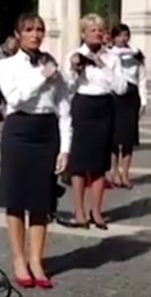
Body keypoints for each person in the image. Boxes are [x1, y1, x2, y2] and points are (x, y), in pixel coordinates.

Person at [0, 14, 70, 289]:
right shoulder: (6, 65)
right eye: (29, 30)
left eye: (39, 30)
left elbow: (64, 107)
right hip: (19, 131)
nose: (35, 34)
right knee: (16, 197)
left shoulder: (51, 63)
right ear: (18, 33)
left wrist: (65, 148)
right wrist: (41, 77)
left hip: (47, 132)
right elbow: (14, 97)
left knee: (42, 200)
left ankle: (37, 260)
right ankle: (19, 259)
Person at [63, 14, 127, 230]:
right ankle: (79, 211)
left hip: (104, 107)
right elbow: (68, 88)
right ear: (83, 33)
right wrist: (74, 70)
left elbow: (121, 88)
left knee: (100, 163)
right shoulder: (74, 55)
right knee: (79, 164)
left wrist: (103, 67)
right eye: (92, 30)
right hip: (82, 106)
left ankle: (96, 211)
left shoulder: (112, 58)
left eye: (100, 30)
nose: (97, 33)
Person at [108, 24, 146, 189]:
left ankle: (125, 173)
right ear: (114, 37)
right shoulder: (109, 54)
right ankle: (115, 172)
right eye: (119, 36)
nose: (123, 39)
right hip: (115, 95)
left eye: (125, 35)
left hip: (131, 95)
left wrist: (143, 100)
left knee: (129, 139)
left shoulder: (136, 55)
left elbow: (142, 78)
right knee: (115, 138)